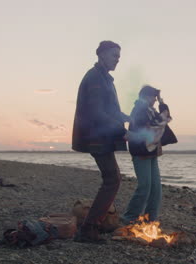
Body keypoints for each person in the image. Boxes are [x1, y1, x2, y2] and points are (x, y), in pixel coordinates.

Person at [72, 40, 130, 242]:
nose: (117, 60)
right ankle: (89, 228)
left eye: (119, 57)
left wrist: (128, 118)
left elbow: (111, 110)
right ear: (102, 54)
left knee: (112, 178)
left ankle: (91, 225)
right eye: (115, 56)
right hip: (96, 137)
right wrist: (120, 129)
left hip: (100, 136)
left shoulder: (104, 78)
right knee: (112, 179)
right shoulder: (95, 77)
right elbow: (97, 112)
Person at [121, 85, 177, 224]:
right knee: (145, 186)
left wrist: (161, 102)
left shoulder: (149, 110)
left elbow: (163, 119)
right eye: (154, 98)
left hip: (151, 151)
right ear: (146, 96)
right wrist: (162, 104)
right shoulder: (139, 109)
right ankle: (129, 218)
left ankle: (150, 221)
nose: (155, 101)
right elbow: (160, 121)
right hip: (141, 151)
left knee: (156, 189)